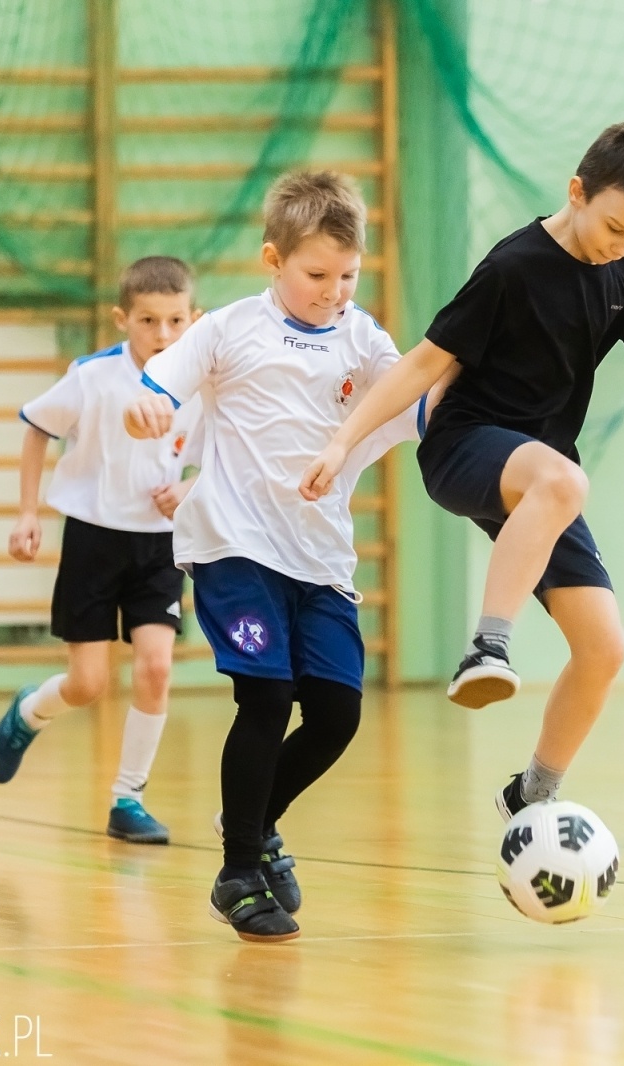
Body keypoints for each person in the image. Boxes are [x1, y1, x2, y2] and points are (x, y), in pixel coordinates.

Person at [298, 116, 624, 822]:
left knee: (601, 649)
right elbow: (422, 363)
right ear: (577, 191)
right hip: (465, 445)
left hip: (540, 476)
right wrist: (339, 443)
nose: (622, 248)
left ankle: (530, 793)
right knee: (562, 481)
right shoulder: (514, 267)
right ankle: (487, 646)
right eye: (614, 228)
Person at [126, 171, 444, 943]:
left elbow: (420, 402)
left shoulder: (365, 341)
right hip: (233, 547)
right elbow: (160, 383)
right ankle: (238, 869)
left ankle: (256, 820)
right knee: (265, 698)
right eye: (315, 275)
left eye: (348, 275)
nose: (333, 291)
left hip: (321, 560)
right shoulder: (230, 329)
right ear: (274, 259)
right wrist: (148, 404)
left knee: (336, 713)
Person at [0, 256, 203, 846]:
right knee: (88, 684)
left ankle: (127, 799)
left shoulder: (203, 385)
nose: (163, 335)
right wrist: (28, 511)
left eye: (176, 321)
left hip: (160, 546)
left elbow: (230, 456)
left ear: (195, 318)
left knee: (155, 667)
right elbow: (37, 427)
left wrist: (190, 487)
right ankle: (30, 712)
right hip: (93, 538)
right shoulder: (93, 376)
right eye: (148, 321)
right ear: (122, 319)